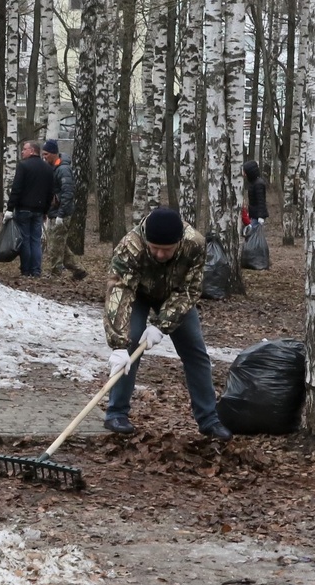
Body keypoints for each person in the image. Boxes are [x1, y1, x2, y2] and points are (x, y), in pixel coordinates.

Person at [103, 207, 233, 441]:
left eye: (167, 250)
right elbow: (119, 292)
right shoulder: (130, 246)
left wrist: (162, 325)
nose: (161, 255)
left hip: (176, 294)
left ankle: (209, 419)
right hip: (138, 293)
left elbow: (190, 289)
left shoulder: (194, 243)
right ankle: (116, 413)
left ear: (179, 242)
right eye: (155, 249)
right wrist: (118, 344)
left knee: (196, 352)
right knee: (131, 343)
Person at [4, 140, 57, 277]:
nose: (22, 151)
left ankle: (26, 270)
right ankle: (36, 270)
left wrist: (10, 208)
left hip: (23, 209)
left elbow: (17, 188)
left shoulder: (23, 166)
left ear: (32, 151)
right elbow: (50, 192)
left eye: (24, 149)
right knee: (36, 240)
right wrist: (45, 210)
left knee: (25, 239)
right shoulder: (47, 168)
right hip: (39, 210)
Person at [41, 140, 87, 280]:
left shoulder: (63, 169)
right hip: (54, 212)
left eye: (46, 154)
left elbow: (68, 193)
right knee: (59, 244)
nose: (44, 157)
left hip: (61, 213)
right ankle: (78, 270)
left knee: (55, 245)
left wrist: (61, 214)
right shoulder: (54, 168)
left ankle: (55, 273)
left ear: (54, 153)